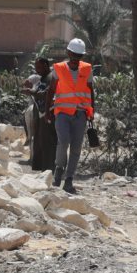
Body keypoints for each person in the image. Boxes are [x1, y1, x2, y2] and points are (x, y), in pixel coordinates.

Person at [50, 38, 96, 194]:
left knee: (76, 148)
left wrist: (92, 112)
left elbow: (90, 91)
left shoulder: (87, 69)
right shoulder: (59, 68)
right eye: (74, 54)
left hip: (81, 114)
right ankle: (59, 168)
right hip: (62, 112)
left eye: (79, 56)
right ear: (69, 53)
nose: (76, 58)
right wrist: (48, 110)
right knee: (63, 142)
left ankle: (68, 180)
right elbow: (51, 89)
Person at [27, 57, 57, 171]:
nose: (37, 69)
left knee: (47, 142)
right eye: (36, 67)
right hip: (40, 113)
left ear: (45, 65)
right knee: (39, 140)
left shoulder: (51, 78)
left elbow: (46, 93)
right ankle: (40, 167)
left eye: (39, 67)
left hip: (47, 114)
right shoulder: (43, 78)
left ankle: (48, 168)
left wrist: (32, 92)